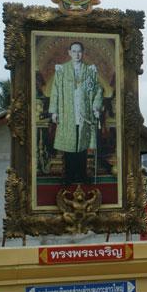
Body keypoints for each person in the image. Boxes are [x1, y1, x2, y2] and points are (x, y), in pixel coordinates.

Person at [49, 41, 103, 185]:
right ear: (69, 52)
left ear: (83, 53)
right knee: (69, 146)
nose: (77, 54)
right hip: (67, 113)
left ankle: (81, 175)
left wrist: (96, 107)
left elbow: (98, 89)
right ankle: (69, 176)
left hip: (84, 114)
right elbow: (55, 91)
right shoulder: (61, 70)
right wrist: (54, 111)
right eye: (74, 51)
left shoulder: (90, 70)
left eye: (79, 51)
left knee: (82, 147)